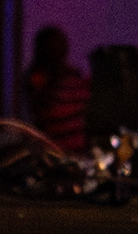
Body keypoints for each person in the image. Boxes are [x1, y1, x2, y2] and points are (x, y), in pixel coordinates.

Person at [23, 23, 92, 154]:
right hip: (54, 153)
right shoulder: (38, 80)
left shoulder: (75, 78)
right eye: (53, 46)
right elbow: (41, 113)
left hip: (79, 152)